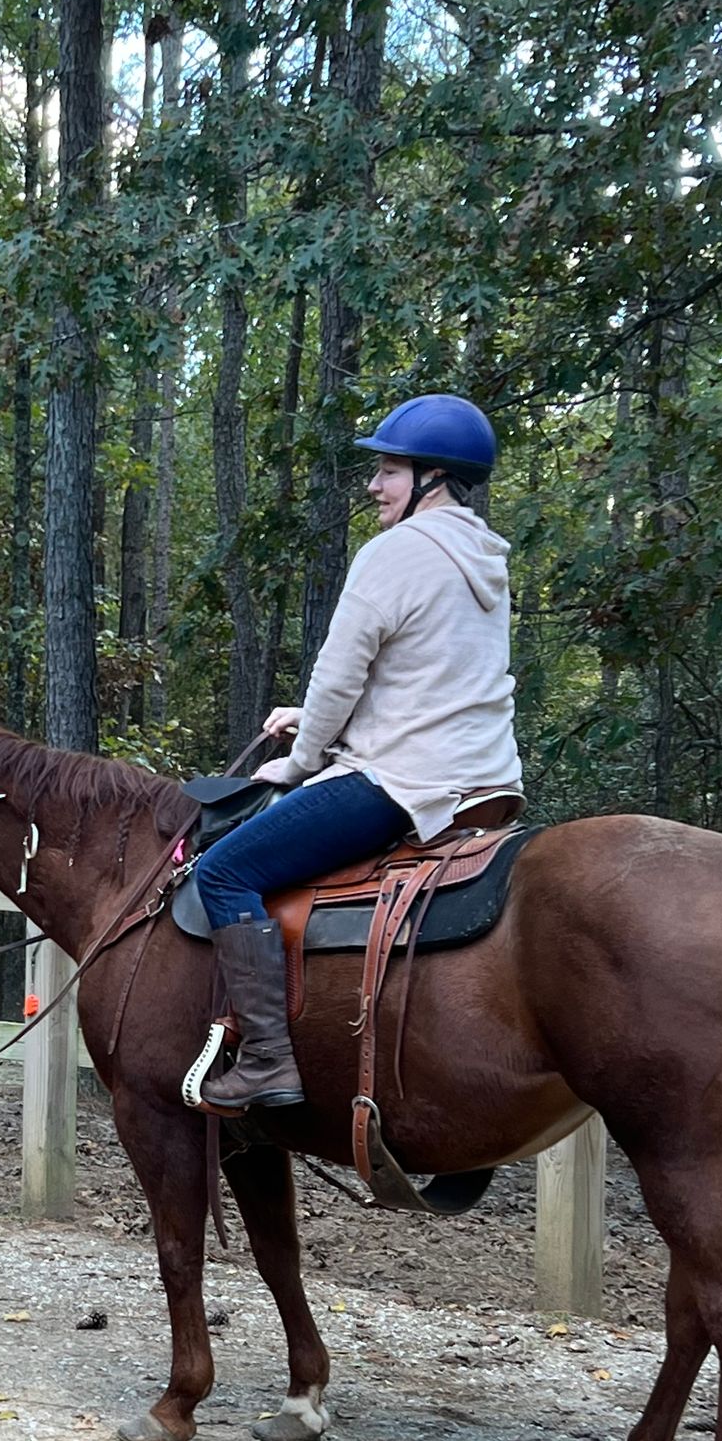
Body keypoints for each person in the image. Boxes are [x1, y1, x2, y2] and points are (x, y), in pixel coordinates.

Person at [191, 394, 522, 1114]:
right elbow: (430, 681)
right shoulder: (483, 559)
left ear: (434, 478)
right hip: (486, 783)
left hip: (403, 784)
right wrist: (312, 719)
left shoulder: (394, 552)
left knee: (224, 872)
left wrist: (302, 758)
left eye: (390, 471)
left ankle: (268, 1062)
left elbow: (340, 675)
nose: (374, 486)